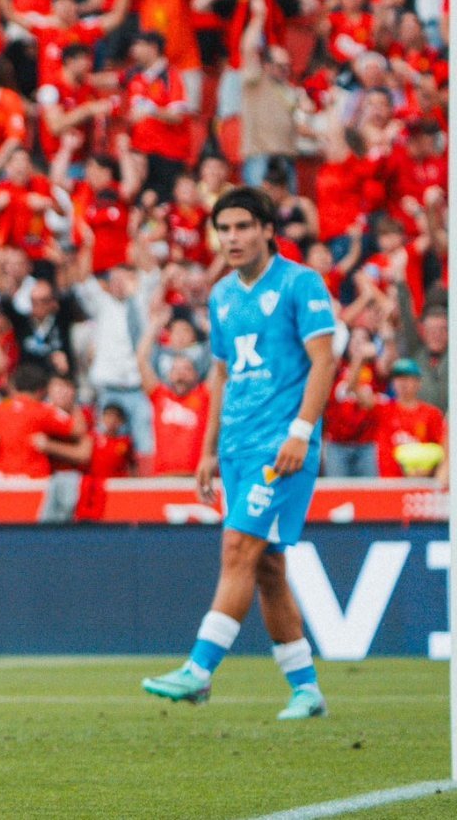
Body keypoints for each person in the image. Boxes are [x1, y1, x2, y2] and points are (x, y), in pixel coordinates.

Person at [142, 186, 337, 721]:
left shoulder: (301, 283)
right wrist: (207, 450)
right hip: (236, 446)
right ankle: (306, 689)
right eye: (224, 228)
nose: (232, 237)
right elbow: (222, 374)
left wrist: (300, 431)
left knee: (237, 549)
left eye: (243, 227)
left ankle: (199, 671)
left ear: (267, 230)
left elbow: (324, 361)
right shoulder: (223, 295)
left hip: (281, 446)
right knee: (268, 568)